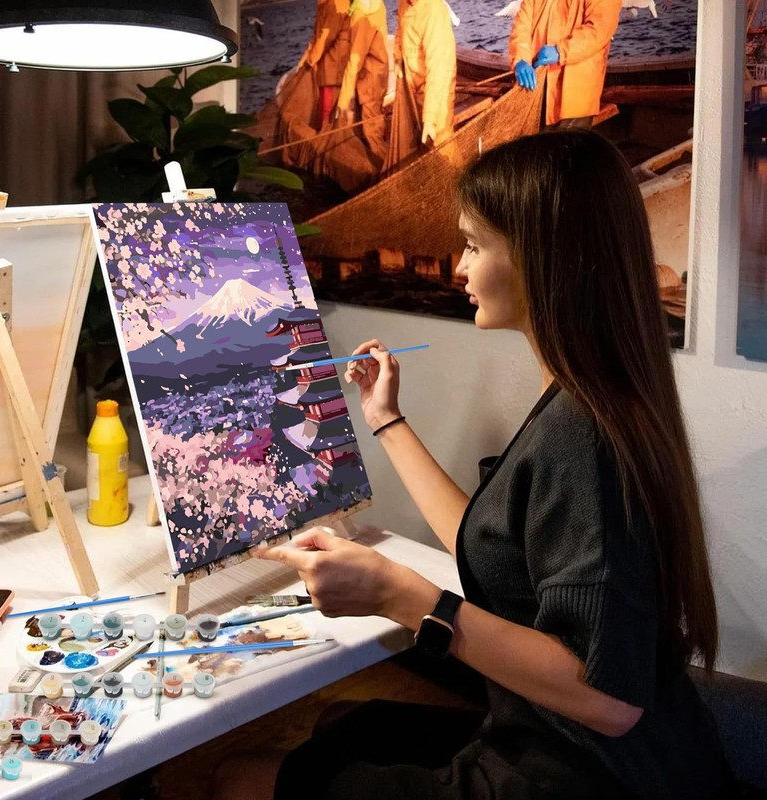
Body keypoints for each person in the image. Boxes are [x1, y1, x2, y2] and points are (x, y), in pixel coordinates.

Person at [212, 130, 734, 800]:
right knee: (342, 722)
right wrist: (386, 419)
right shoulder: (592, 397)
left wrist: (399, 596)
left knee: (239, 778)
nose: (459, 268)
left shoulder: (584, 435)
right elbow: (492, 547)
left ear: (543, 258)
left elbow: (609, 700)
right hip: (579, 742)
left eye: (473, 245)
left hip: (584, 771)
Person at [509, 0, 622, 128]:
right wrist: (521, 59)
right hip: (537, 85)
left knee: (569, 137)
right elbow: (521, 25)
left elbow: (600, 29)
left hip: (576, 90)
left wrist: (560, 51)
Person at [335, 0, 390, 167]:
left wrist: (343, 100)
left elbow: (355, 60)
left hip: (369, 81)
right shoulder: (376, 4)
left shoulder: (361, 14)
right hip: (377, 75)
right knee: (374, 124)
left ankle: (388, 170)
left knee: (372, 133)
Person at [394, 0, 457, 147]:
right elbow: (400, 31)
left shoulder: (434, 11)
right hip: (415, 88)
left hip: (438, 90)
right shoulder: (404, 4)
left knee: (441, 142)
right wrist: (397, 57)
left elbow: (438, 69)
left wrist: (429, 118)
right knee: (422, 143)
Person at [298, 0, 352, 128]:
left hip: (334, 64)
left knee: (329, 108)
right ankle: (325, 132)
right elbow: (316, 36)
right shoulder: (325, 4)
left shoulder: (336, 3)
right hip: (327, 64)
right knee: (324, 106)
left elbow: (327, 37)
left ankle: (328, 134)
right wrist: (304, 61)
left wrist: (311, 60)